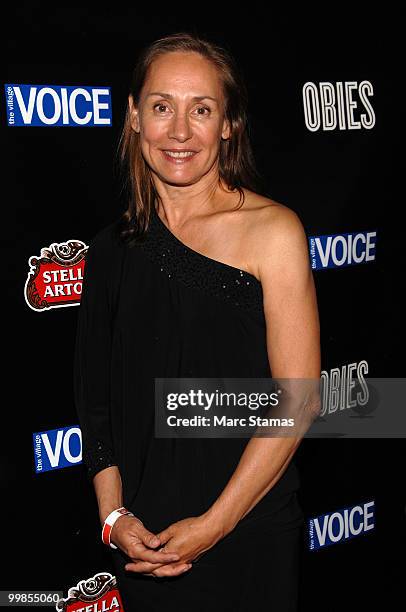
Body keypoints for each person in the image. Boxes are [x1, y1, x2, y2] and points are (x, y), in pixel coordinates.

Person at [74, 31, 321, 611]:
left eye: (201, 110)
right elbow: (95, 402)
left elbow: (299, 399)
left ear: (228, 123)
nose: (180, 132)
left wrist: (215, 524)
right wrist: (113, 517)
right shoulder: (110, 249)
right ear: (134, 116)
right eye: (162, 107)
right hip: (143, 546)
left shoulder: (274, 232)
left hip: (249, 536)